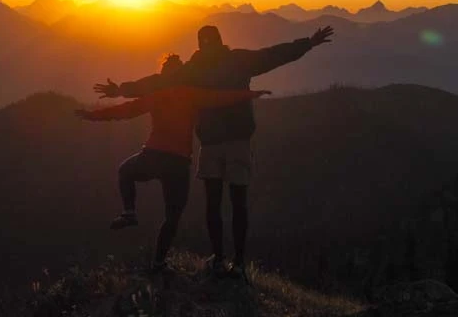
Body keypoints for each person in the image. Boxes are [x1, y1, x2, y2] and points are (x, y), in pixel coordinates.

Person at [93, 25, 334, 279]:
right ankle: (238, 263)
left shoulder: (193, 70)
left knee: (213, 205)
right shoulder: (239, 60)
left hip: (210, 143)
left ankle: (218, 259)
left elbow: (159, 82)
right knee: (238, 203)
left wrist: (121, 89)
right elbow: (273, 55)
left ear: (199, 44)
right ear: (221, 40)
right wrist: (308, 43)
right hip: (238, 141)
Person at [78, 53, 271, 273]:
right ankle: (159, 263)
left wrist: (92, 116)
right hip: (178, 163)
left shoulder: (157, 95)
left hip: (153, 155)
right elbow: (220, 97)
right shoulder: (190, 94)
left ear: (162, 73)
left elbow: (125, 111)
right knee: (172, 216)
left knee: (125, 172)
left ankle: (130, 212)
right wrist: (250, 94)